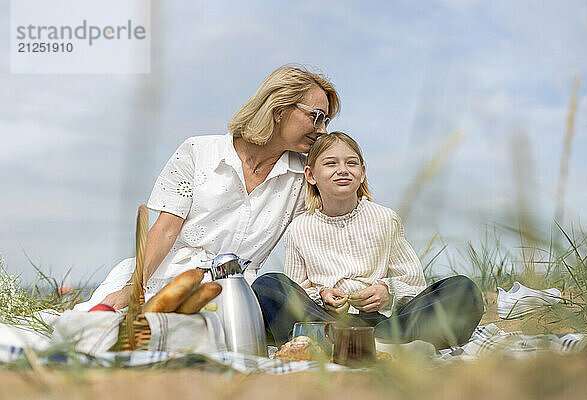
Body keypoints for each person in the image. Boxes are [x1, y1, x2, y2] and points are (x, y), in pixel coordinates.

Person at [74, 65, 340, 311]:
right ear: (279, 109)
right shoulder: (197, 152)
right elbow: (165, 229)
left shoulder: (306, 178)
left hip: (233, 300)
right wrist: (134, 288)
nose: (323, 130)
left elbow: (334, 228)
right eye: (317, 117)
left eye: (326, 121)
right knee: (97, 332)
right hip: (160, 277)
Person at [251, 132, 484, 349]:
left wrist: (386, 291)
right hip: (328, 321)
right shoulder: (299, 229)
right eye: (331, 163)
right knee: (268, 285)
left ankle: (368, 344)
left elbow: (414, 283)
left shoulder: (385, 218)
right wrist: (322, 294)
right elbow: (297, 290)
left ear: (362, 172)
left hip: (387, 323)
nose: (342, 170)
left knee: (462, 289)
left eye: (351, 163)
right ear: (311, 175)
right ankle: (354, 343)